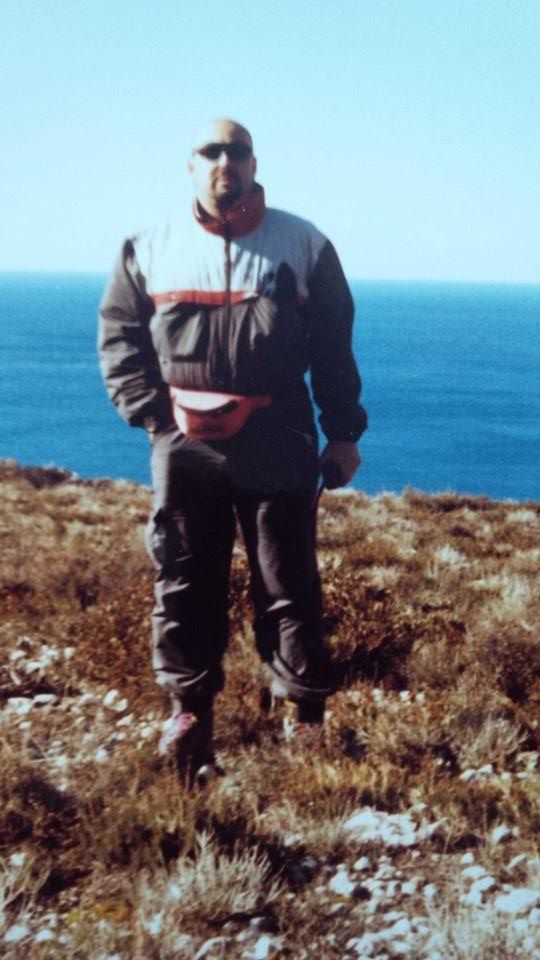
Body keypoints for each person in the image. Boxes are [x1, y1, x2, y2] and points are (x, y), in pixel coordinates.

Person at [98, 118, 367, 782]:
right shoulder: (148, 245)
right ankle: (188, 714)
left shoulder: (303, 243)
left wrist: (342, 433)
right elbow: (120, 335)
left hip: (279, 434)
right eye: (212, 151)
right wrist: (152, 416)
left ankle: (304, 717)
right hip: (186, 444)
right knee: (184, 578)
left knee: (288, 581)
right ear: (191, 165)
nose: (226, 161)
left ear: (254, 163)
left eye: (238, 151)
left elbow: (334, 344)